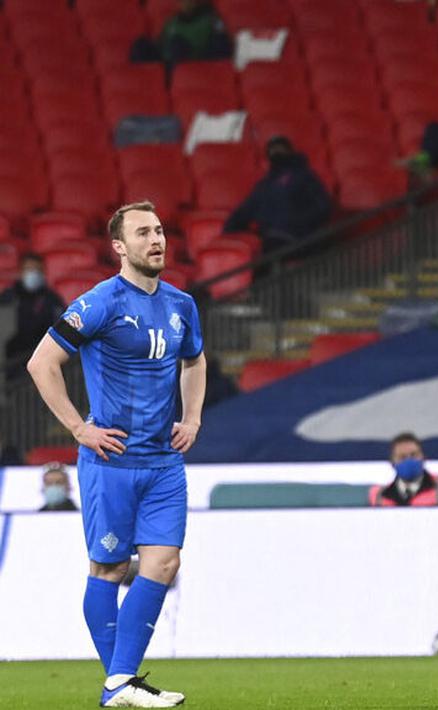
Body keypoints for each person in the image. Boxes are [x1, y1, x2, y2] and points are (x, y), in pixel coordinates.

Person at [26, 200, 207, 708]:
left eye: (160, 230)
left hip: (164, 463)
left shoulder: (181, 305)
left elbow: (195, 360)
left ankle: (120, 683)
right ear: (119, 247)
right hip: (112, 461)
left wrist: (192, 418)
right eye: (143, 233)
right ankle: (121, 684)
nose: (157, 240)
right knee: (107, 570)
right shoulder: (100, 302)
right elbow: (42, 363)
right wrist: (79, 428)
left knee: (164, 562)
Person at [222, 136, 333, 254]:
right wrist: (229, 231)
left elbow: (323, 206)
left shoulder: (305, 176)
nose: (275, 152)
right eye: (272, 150)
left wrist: (300, 224)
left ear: (289, 151)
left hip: (299, 238)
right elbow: (244, 212)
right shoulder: (264, 185)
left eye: (279, 148)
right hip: (270, 241)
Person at [1, 254, 66, 383]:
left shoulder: (52, 300)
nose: (33, 274)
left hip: (44, 365)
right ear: (20, 272)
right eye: (29, 269)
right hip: (12, 367)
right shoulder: (7, 298)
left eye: (37, 270)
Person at [369, 433, 438, 507]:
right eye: (402, 457)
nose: (409, 460)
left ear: (423, 457)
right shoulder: (378, 496)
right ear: (392, 462)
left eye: (413, 455)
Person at [131, 0, 232, 67]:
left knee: (177, 45)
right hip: (166, 60)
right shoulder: (173, 21)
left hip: (194, 61)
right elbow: (160, 43)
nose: (184, 3)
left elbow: (219, 44)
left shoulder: (210, 18)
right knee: (141, 45)